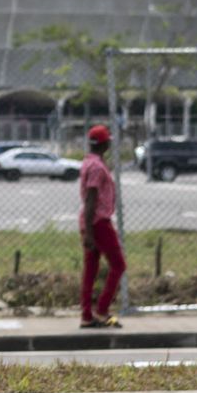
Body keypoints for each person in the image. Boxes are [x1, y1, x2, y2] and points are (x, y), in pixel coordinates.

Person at [78, 125, 126, 328]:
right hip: (98, 223)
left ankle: (87, 315)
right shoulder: (97, 167)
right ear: (105, 144)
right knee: (118, 265)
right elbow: (91, 200)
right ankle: (102, 309)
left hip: (91, 223)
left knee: (91, 269)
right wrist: (90, 232)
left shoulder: (89, 162)